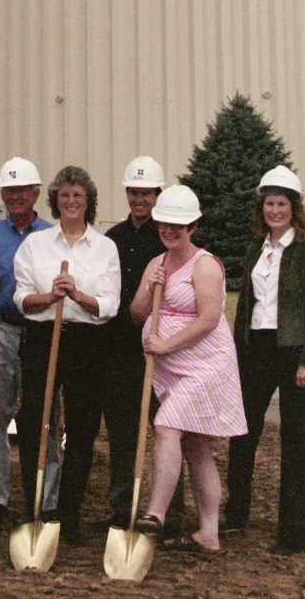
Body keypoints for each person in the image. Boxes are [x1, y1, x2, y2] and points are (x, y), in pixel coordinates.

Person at [129, 184, 246, 554]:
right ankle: (209, 534)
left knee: (166, 426)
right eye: (165, 223)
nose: (170, 230)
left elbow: (210, 319)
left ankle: (155, 513)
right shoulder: (156, 265)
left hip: (206, 364)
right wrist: (150, 289)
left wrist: (165, 345)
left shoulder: (205, 264)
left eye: (178, 225)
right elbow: (136, 315)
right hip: (173, 366)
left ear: (193, 226)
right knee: (197, 446)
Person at [225, 166, 305, 554]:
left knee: (294, 439)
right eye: (269, 203)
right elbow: (244, 308)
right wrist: (236, 356)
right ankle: (236, 512)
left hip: (294, 353)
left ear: (294, 208)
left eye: (282, 204)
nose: (274, 210)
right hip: (257, 352)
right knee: (242, 432)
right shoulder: (257, 249)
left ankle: (294, 533)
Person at [13, 165, 121, 548]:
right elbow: (23, 299)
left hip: (88, 343)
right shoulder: (36, 246)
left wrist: (77, 296)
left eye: (78, 195)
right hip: (44, 338)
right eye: (64, 195)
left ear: (88, 201)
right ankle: (35, 508)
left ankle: (69, 515)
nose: (71, 201)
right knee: (35, 422)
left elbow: (109, 305)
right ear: (55, 202)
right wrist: (50, 297)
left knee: (82, 428)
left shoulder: (105, 247)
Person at [0, 157, 60, 524]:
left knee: (46, 416)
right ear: (2, 195)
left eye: (23, 190)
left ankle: (45, 497)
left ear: (36, 193)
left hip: (40, 332)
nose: (16, 196)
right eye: (9, 190)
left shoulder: (52, 237)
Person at [98, 156, 183, 533]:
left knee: (165, 430)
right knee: (121, 432)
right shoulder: (113, 238)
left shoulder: (166, 238)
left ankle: (169, 512)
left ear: (157, 194)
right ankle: (121, 508)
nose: (139, 199)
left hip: (160, 349)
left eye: (146, 193)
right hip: (118, 349)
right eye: (133, 192)